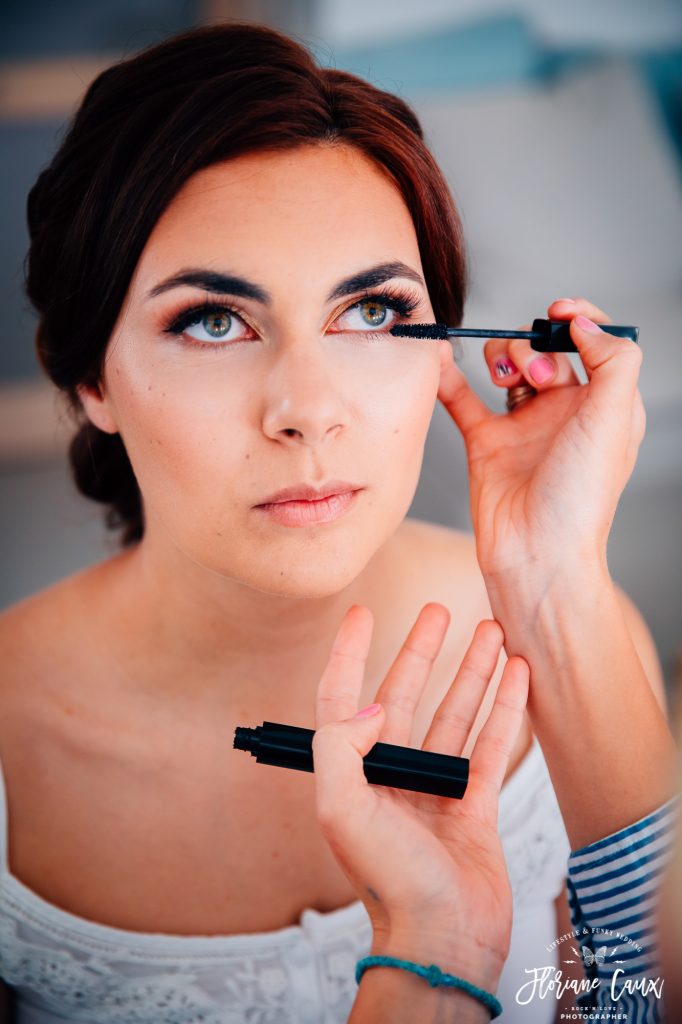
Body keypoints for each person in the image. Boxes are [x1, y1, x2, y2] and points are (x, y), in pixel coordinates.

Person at [0, 19, 675, 1023]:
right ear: (93, 376)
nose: (307, 410)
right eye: (214, 321)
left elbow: (635, 1000)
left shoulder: (579, 628)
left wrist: (555, 580)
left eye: (372, 314)